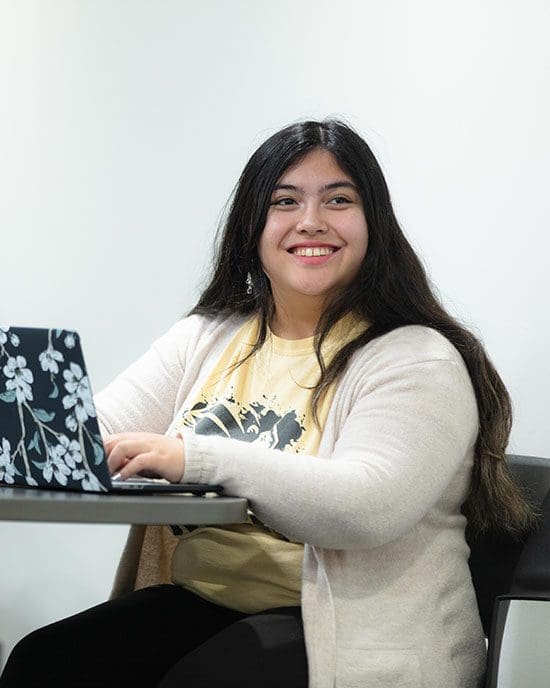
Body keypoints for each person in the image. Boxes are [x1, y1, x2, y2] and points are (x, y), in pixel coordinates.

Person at [0, 119, 535, 688]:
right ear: (252, 226)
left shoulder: (414, 358)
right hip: (210, 602)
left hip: (354, 632)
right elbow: (86, 438)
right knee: (45, 663)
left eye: (338, 200)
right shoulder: (209, 337)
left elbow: (365, 507)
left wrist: (195, 458)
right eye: (285, 201)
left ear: (373, 224)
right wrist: (30, 426)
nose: (311, 221)